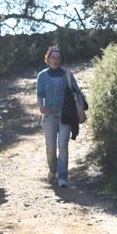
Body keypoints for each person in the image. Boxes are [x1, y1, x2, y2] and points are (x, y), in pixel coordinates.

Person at [36, 46, 85, 188]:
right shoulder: (42, 76)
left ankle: (62, 177)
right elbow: (40, 94)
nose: (56, 60)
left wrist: (80, 106)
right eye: (53, 57)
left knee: (63, 145)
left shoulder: (67, 74)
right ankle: (52, 170)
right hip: (49, 116)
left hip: (65, 115)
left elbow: (77, 91)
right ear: (48, 59)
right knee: (51, 148)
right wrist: (40, 106)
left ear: (61, 60)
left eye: (58, 58)